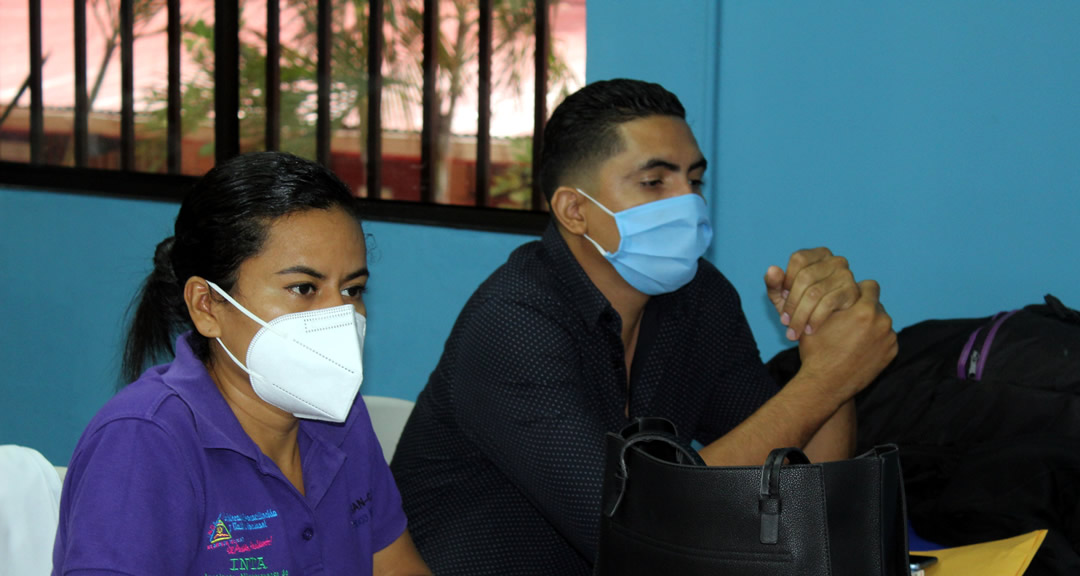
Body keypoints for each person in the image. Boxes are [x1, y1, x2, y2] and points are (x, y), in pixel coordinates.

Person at [390, 79, 898, 575]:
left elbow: (805, 479)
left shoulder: (697, 299)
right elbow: (632, 533)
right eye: (655, 181)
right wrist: (824, 379)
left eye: (694, 180)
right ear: (575, 211)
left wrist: (828, 345)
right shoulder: (514, 322)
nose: (689, 203)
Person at [52, 152, 431, 576]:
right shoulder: (144, 440)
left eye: (352, 289)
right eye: (304, 288)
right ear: (208, 305)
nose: (339, 315)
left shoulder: (340, 420)